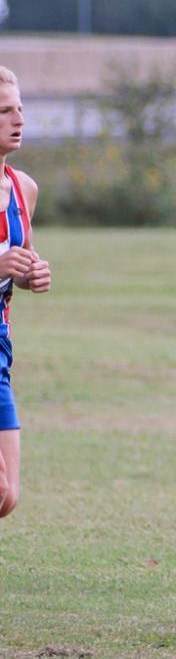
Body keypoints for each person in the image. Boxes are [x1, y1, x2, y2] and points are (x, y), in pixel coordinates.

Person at [0, 68, 52, 519]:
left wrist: (31, 274)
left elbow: (21, 260)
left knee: (6, 497)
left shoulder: (23, 188)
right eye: (4, 111)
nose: (18, 119)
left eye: (20, 108)